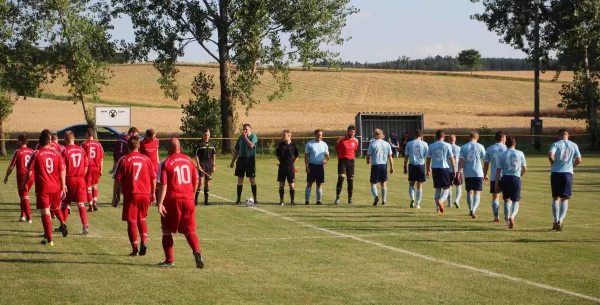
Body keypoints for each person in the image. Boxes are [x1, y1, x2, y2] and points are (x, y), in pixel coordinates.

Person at [157, 137, 204, 268]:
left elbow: (163, 184)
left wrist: (160, 203)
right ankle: (197, 250)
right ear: (180, 148)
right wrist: (191, 196)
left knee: (166, 230)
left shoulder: (165, 162)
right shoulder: (189, 161)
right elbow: (195, 181)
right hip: (189, 199)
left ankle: (169, 259)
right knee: (189, 230)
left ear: (167, 150)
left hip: (172, 199)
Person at [112, 137, 156, 256]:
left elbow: (117, 181)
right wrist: (153, 193)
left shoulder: (124, 159)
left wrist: (115, 196)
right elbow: (153, 177)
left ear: (128, 146)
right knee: (142, 219)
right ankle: (144, 241)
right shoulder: (146, 159)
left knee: (131, 222)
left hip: (131, 194)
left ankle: (135, 249)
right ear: (139, 146)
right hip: (145, 194)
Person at [23, 133, 67, 246]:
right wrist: (63, 185)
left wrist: (24, 184)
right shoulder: (57, 153)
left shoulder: (37, 153)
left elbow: (29, 172)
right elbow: (62, 170)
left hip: (43, 187)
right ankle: (61, 224)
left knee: (45, 211)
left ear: (39, 142)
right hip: (56, 186)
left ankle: (49, 239)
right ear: (50, 142)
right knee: (55, 207)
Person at [548, 129, 582, 231]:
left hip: (556, 173)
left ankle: (555, 219)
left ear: (559, 136)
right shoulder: (573, 145)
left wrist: (552, 162)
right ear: (568, 136)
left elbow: (550, 155)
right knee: (565, 198)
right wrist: (572, 166)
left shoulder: (556, 144)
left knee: (555, 197)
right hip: (567, 173)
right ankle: (561, 220)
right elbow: (579, 159)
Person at [61, 131, 90, 234]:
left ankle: (63, 224)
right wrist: (82, 175)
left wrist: (63, 183)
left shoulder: (65, 151)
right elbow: (86, 166)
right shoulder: (81, 150)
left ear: (65, 139)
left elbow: (62, 168)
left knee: (65, 204)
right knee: (81, 204)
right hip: (80, 179)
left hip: (69, 179)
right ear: (73, 138)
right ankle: (85, 226)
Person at [495, 137, 527, 229]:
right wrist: (518, 175)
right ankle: (512, 216)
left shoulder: (502, 154)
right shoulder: (520, 153)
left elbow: (498, 170)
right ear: (515, 144)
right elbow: (525, 169)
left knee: (506, 199)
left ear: (506, 144)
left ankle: (507, 221)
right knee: (516, 200)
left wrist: (496, 183)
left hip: (505, 178)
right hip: (516, 178)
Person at [4, 135, 34, 223]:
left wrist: (6, 176)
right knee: (23, 196)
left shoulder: (18, 152)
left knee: (24, 197)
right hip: (32, 176)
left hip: (22, 176)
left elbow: (11, 166)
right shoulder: (32, 151)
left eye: (18, 141)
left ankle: (29, 218)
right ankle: (22, 216)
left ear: (20, 142)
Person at [426, 130, 456, 213]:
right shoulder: (447, 145)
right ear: (443, 136)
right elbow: (451, 158)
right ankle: (441, 201)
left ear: (436, 136)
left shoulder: (431, 146)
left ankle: (437, 209)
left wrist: (427, 170)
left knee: (438, 189)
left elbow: (428, 159)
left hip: (435, 168)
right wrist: (454, 170)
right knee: (447, 187)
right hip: (444, 168)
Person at [458, 131, 486, 219]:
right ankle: (473, 210)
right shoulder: (480, 146)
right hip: (478, 172)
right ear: (477, 138)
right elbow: (485, 159)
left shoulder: (464, 147)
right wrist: (485, 173)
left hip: (468, 172)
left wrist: (459, 171)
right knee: (477, 192)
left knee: (469, 191)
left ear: (469, 137)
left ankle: (471, 209)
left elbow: (461, 160)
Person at [229, 124, 258, 205]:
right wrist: (232, 161)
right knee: (240, 179)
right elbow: (237, 150)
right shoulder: (240, 137)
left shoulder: (253, 136)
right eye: (244, 129)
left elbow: (251, 145)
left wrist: (245, 137)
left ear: (250, 129)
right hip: (241, 160)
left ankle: (255, 199)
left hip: (250, 160)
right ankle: (238, 199)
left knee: (252, 179)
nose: (245, 131)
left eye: (246, 129)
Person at [110, 127, 139, 207]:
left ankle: (116, 197)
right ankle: (124, 198)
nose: (136, 137)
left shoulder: (120, 139)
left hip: (118, 161)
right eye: (136, 134)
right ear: (132, 133)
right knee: (125, 181)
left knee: (117, 181)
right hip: (126, 161)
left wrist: (115, 162)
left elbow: (115, 151)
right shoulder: (129, 141)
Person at [483, 131, 507, 222]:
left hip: (494, 176)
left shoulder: (489, 149)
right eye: (505, 138)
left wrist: (485, 174)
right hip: (506, 175)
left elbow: (486, 164)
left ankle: (496, 217)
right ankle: (507, 216)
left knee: (495, 197)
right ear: (502, 138)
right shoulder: (506, 148)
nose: (505, 140)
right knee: (506, 198)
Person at [367, 129, 394, 206]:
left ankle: (376, 197)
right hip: (383, 165)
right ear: (382, 135)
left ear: (374, 135)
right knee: (383, 183)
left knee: (373, 184)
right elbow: (390, 157)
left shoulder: (372, 144)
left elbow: (368, 155)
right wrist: (392, 167)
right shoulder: (387, 144)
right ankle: (384, 200)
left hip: (375, 165)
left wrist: (368, 160)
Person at [81, 128, 104, 212]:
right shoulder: (98, 144)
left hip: (89, 167)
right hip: (97, 167)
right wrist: (101, 169)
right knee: (95, 185)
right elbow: (101, 158)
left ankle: (90, 205)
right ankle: (95, 201)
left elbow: (82, 156)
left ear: (87, 134)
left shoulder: (84, 144)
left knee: (88, 186)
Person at [404, 130, 428, 208]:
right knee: (419, 185)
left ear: (415, 135)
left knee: (411, 184)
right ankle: (418, 203)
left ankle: (412, 198)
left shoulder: (409, 143)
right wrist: (428, 169)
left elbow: (406, 156)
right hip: (421, 165)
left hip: (412, 165)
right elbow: (427, 157)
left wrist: (404, 166)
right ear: (422, 136)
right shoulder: (424, 144)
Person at [304, 129, 330, 205]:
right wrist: (307, 166)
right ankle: (307, 200)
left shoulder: (324, 144)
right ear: (315, 135)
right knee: (309, 183)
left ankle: (318, 201)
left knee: (319, 184)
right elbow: (306, 156)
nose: (319, 136)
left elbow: (327, 156)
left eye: (321, 135)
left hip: (320, 167)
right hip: (311, 166)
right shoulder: (310, 144)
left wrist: (326, 160)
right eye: (318, 135)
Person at [334, 125, 358, 205]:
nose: (352, 133)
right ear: (348, 131)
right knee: (341, 178)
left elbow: (355, 150)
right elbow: (336, 149)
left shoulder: (355, 141)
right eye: (351, 131)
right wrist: (340, 157)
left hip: (351, 162)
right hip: (342, 161)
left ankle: (350, 199)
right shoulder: (341, 139)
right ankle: (337, 197)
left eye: (354, 132)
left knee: (350, 180)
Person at [275, 129, 299, 206]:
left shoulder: (294, 146)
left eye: (284, 135)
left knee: (291, 184)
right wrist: (282, 162)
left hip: (290, 167)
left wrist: (292, 164)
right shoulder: (280, 145)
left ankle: (292, 201)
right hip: (282, 167)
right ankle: (281, 201)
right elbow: (278, 156)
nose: (282, 137)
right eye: (282, 135)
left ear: (288, 136)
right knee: (281, 184)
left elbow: (297, 156)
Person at [194, 129, 217, 206]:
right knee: (200, 182)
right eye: (205, 135)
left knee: (207, 183)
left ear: (209, 135)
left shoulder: (212, 144)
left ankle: (206, 201)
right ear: (202, 135)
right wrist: (198, 165)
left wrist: (213, 165)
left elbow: (214, 154)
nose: (206, 136)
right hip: (202, 164)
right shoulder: (199, 144)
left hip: (209, 165)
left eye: (208, 135)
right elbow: (196, 155)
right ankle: (195, 201)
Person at [140, 128, 160, 203]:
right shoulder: (142, 143)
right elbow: (140, 154)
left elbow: (156, 150)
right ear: (147, 136)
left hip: (155, 165)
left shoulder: (157, 141)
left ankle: (157, 200)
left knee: (157, 183)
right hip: (146, 166)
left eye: (154, 137)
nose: (154, 138)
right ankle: (147, 198)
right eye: (152, 137)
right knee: (147, 183)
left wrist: (157, 160)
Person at [446, 134, 462, 209]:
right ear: (455, 140)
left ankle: (449, 204)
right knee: (458, 186)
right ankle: (457, 200)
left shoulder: (446, 148)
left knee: (449, 187)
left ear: (449, 140)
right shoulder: (459, 148)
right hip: (457, 169)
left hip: (448, 169)